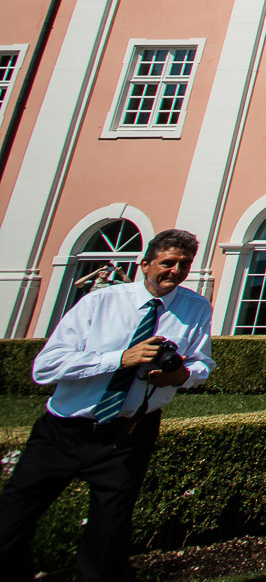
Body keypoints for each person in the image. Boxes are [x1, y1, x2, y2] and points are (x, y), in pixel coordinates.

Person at [0, 229, 212, 580]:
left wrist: (179, 375)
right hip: (63, 430)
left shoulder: (195, 307)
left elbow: (202, 364)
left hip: (129, 433)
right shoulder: (100, 303)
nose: (175, 270)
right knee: (11, 521)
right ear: (145, 264)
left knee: (108, 535)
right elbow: (45, 367)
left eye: (184, 264)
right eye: (167, 262)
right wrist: (119, 359)